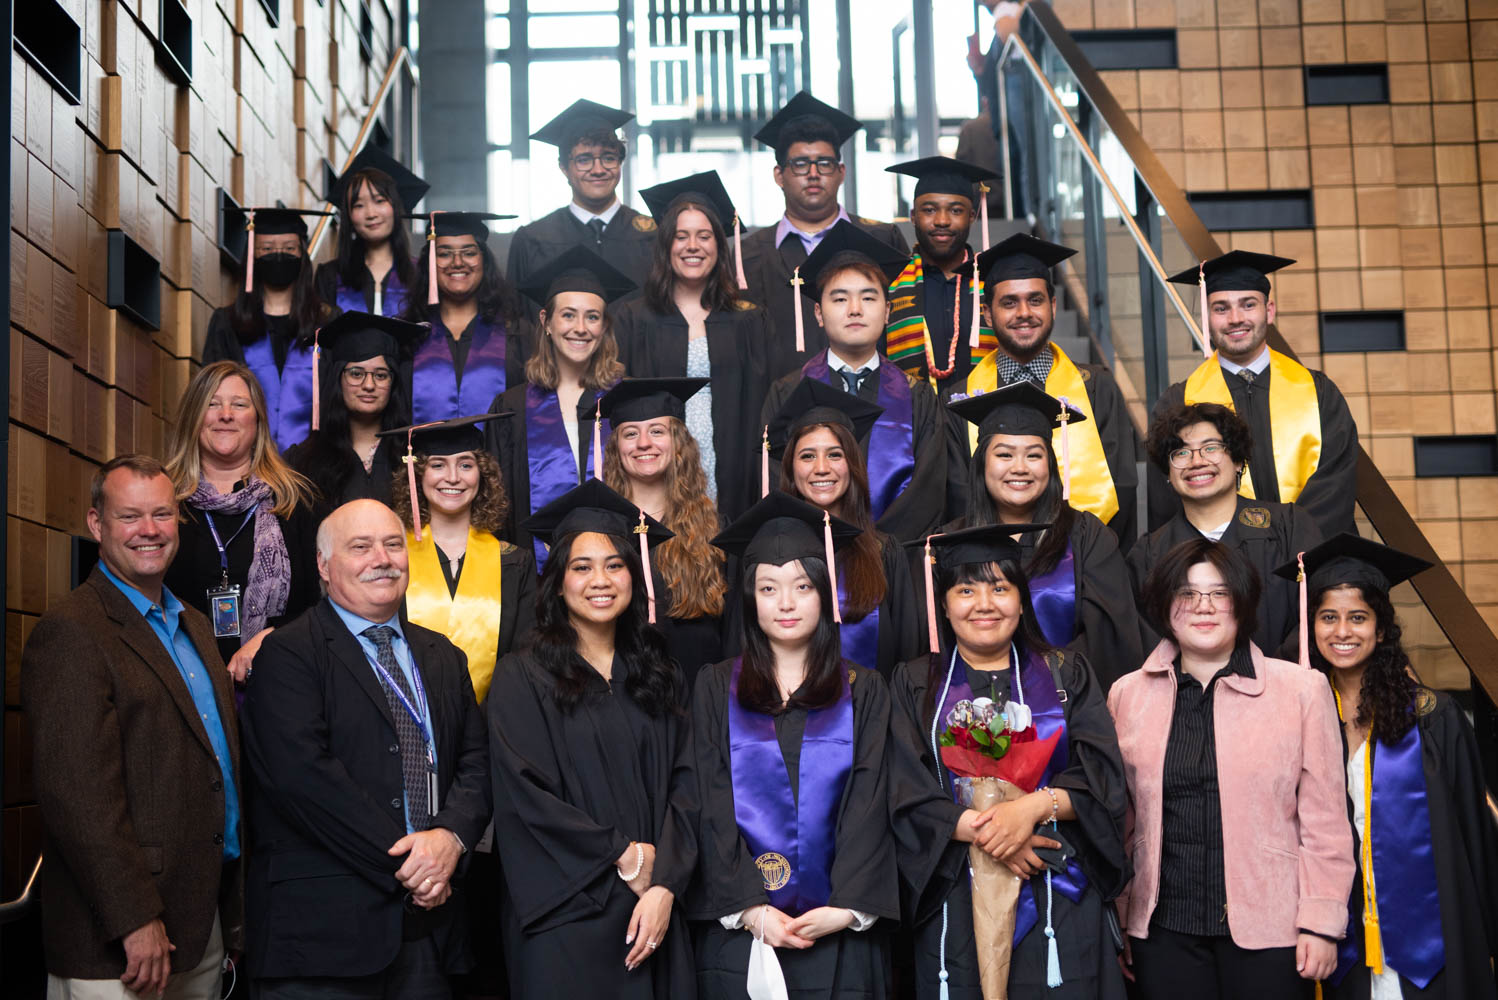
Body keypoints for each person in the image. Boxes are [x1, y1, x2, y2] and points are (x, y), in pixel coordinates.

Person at [240, 499, 491, 995]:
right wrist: (415, 865)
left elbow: (476, 763)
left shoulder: (443, 655)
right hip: (323, 940)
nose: (382, 558)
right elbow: (303, 779)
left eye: (393, 544)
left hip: (430, 932)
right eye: (361, 547)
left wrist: (450, 840)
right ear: (323, 565)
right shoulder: (289, 653)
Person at [22, 455, 242, 1000]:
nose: (149, 530)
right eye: (130, 516)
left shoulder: (192, 623)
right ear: (97, 524)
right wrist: (135, 918)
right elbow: (77, 797)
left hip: (200, 921)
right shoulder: (72, 632)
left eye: (162, 515)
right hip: (121, 944)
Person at [889, 524, 1130, 999]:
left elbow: (1104, 780)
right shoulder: (915, 684)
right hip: (954, 895)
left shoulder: (1067, 674)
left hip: (1055, 889)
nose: (984, 604)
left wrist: (1032, 809)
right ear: (943, 603)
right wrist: (996, 834)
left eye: (1000, 588)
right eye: (965, 589)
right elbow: (902, 786)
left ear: (1022, 600)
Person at [1109, 538, 1355, 999]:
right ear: (1164, 605)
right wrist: (1122, 915)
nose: (1204, 607)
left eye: (1220, 593)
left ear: (1242, 602)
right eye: (1187, 593)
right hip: (1162, 931)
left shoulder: (1301, 690)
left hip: (1272, 930)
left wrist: (1321, 923)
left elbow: (1325, 821)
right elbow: (1123, 821)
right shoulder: (1127, 694)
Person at [487, 479, 697, 996]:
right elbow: (526, 796)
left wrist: (665, 882)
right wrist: (625, 857)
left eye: (614, 565)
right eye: (581, 567)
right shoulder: (522, 676)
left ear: (633, 576)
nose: (599, 580)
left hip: (655, 912)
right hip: (568, 917)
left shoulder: (659, 673)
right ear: (557, 582)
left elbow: (690, 786)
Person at [688, 492, 899, 998]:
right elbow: (708, 799)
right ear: (749, 599)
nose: (786, 603)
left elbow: (871, 801)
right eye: (768, 588)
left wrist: (847, 908)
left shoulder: (864, 689)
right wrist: (750, 907)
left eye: (803, 586)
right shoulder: (716, 686)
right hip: (743, 935)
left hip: (841, 936)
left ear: (825, 594)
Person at [1281, 535, 1498, 1000]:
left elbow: (1474, 835)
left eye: (1358, 618)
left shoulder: (1433, 718)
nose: (1342, 631)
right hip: (1339, 932)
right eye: (1327, 617)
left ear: (1381, 630)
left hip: (1434, 930)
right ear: (1311, 627)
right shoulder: (1296, 718)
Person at [759, 220, 947, 543]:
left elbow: (927, 493)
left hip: (896, 563)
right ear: (818, 313)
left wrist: (878, 550)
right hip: (811, 560)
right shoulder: (787, 393)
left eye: (869, 298)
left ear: (888, 311)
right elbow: (778, 481)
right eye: (840, 299)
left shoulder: (917, 396)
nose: (855, 310)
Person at [947, 382, 1144, 689]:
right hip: (970, 709)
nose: (1020, 468)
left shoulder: (1087, 537)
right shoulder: (951, 542)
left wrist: (1043, 684)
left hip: (1067, 702)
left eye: (1034, 456)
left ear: (1050, 466)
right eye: (1004, 455)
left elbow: (1108, 636)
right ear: (981, 464)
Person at [948, 234, 1138, 544]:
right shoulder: (962, 397)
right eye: (1009, 302)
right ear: (986, 313)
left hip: (1083, 561)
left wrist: (1098, 559)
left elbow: (1123, 486)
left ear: (1052, 305)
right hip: (992, 564)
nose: (1024, 313)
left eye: (1035, 300)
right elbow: (958, 492)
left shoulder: (1097, 387)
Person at [1155, 251, 1358, 538]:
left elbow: (1335, 482)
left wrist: (1290, 544)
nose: (1236, 319)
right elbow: (1168, 495)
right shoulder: (1179, 402)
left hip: (1310, 559)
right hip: (1218, 564)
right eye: (1221, 308)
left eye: (1248, 305)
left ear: (1269, 311)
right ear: (1207, 317)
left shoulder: (1318, 393)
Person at [613, 170, 773, 520]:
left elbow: (761, 407)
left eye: (704, 236)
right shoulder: (635, 318)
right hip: (658, 474)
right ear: (666, 245)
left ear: (719, 244)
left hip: (733, 470)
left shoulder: (748, 320)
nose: (693, 246)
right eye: (681, 236)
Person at [163, 361, 322, 677]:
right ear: (194, 417)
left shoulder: (297, 502)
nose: (226, 415)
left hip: (279, 681)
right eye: (212, 404)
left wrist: (274, 638)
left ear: (258, 420)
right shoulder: (165, 503)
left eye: (239, 405)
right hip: (183, 686)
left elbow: (325, 606)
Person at [737, 91, 912, 377]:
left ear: (841, 172)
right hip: (785, 405)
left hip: (879, 403)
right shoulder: (749, 257)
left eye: (825, 163)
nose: (814, 173)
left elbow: (904, 329)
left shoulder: (881, 239)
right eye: (800, 164)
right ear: (779, 175)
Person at [757, 378, 922, 680]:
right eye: (807, 456)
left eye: (835, 454)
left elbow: (907, 657)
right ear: (791, 469)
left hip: (874, 718)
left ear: (852, 464)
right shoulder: (765, 556)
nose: (822, 468)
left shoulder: (884, 553)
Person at [1128, 401, 1321, 656]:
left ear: (1239, 461)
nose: (1197, 461)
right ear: (1168, 473)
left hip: (1285, 685)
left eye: (1211, 448)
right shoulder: (1149, 554)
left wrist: (1274, 676)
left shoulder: (1287, 527)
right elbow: (1145, 638)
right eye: (1181, 453)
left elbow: (1320, 609)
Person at [486, 245, 631, 561]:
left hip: (616, 572)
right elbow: (498, 507)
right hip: (534, 574)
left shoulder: (626, 402)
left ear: (604, 326)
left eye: (592, 317)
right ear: (546, 321)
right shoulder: (511, 407)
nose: (580, 328)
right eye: (568, 315)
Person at [387, 414, 538, 703]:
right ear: (418, 474)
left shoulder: (514, 563)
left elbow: (525, 658)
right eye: (438, 465)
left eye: (466, 465)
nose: (453, 477)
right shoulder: (393, 559)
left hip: (494, 723)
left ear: (482, 474)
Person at [599, 377, 730, 687]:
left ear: (678, 443)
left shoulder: (714, 529)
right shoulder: (599, 532)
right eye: (631, 434)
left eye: (657, 431)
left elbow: (731, 630)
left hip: (699, 692)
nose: (644, 443)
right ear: (617, 448)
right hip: (622, 696)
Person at [203, 206, 340, 451]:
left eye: (289, 249)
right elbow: (210, 396)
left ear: (302, 255)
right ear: (252, 257)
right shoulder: (227, 322)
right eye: (266, 249)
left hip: (315, 460)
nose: (278, 255)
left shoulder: (327, 322)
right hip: (244, 457)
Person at [507, 99, 657, 301]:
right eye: (584, 160)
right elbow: (517, 319)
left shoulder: (653, 236)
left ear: (621, 162)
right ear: (564, 168)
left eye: (609, 158)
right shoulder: (534, 240)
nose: (598, 170)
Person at [882, 155, 1002, 393]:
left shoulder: (996, 281)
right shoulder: (888, 283)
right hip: (911, 420)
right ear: (913, 216)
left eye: (956, 211)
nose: (942, 221)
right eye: (929, 210)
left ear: (972, 216)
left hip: (984, 422)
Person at [285, 311, 424, 514]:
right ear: (338, 379)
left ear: (393, 383)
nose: (369, 385)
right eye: (356, 373)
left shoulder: (415, 456)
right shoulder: (303, 461)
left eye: (381, 375)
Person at [400, 210, 532, 425]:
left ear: (484, 261)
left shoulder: (517, 332)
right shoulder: (407, 335)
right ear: (429, 263)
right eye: (444, 254)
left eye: (469, 252)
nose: (458, 262)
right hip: (424, 457)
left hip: (498, 457)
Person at [316, 144, 428, 317]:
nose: (371, 214)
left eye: (379, 201)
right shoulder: (330, 276)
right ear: (350, 217)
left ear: (396, 207)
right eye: (359, 205)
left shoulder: (420, 274)